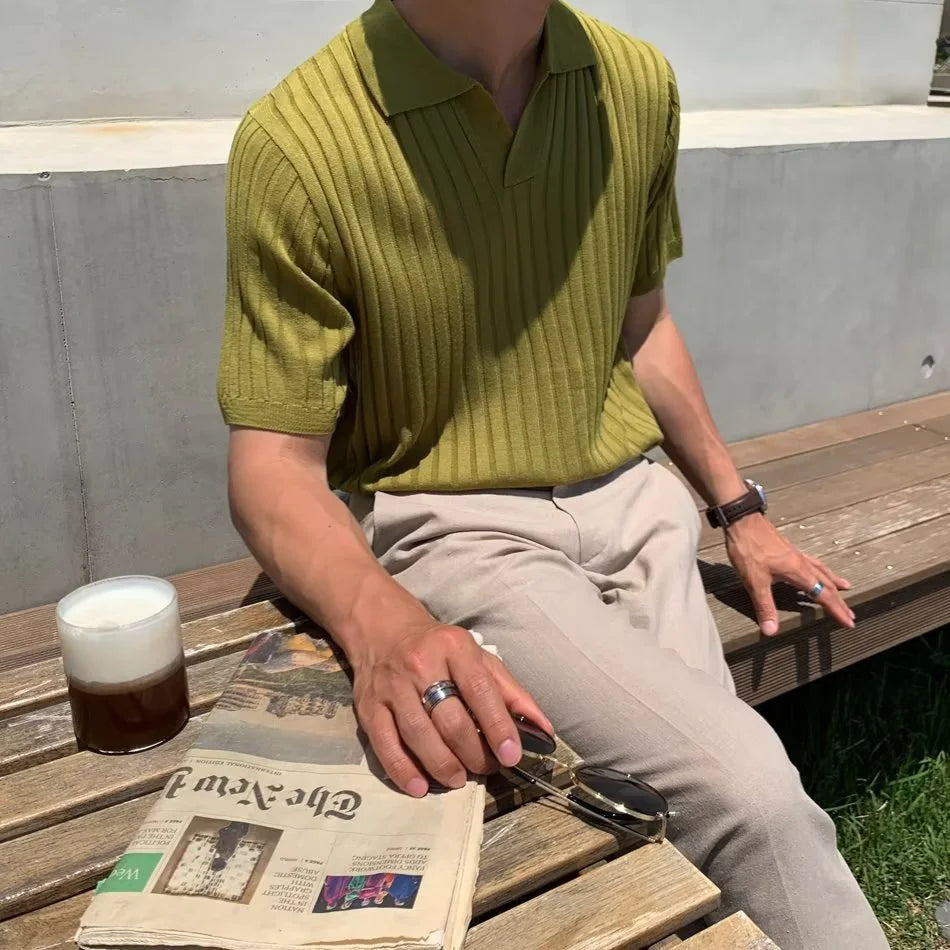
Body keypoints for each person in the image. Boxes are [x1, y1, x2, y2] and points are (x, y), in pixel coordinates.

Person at [217, 1, 889, 946]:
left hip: (645, 507)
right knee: (750, 796)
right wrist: (382, 627)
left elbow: (642, 324)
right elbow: (273, 466)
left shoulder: (634, 84)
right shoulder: (302, 140)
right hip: (461, 529)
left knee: (687, 827)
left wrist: (737, 509)